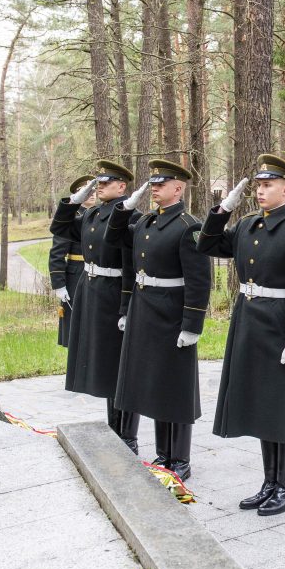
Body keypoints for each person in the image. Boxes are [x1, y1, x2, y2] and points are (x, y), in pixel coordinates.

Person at [197, 154, 285, 516]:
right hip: (249, 322)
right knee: (262, 404)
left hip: (281, 323)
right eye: (258, 185)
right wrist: (222, 209)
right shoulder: (248, 225)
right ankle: (270, 482)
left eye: (267, 185)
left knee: (284, 406)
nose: (260, 191)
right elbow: (206, 245)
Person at [106, 159, 211, 481]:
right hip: (144, 309)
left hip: (171, 313)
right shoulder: (148, 222)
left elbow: (199, 280)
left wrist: (192, 325)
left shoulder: (188, 226)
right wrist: (124, 209)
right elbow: (115, 241)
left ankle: (179, 457)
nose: (154, 188)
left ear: (178, 188)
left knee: (174, 387)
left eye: (160, 184)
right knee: (150, 384)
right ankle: (162, 453)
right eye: (152, 184)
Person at [49, 160, 140, 451]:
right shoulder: (92, 214)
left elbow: (129, 265)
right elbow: (60, 226)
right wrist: (73, 201)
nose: (98, 186)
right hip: (91, 292)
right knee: (103, 366)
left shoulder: (130, 215)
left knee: (119, 368)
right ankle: (114, 428)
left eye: (105, 182)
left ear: (122, 186)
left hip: (114, 294)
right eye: (97, 182)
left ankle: (127, 435)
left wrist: (126, 306)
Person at [49, 175, 94, 347]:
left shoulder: (97, 215)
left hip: (95, 274)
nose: (92, 194)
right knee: (75, 323)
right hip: (75, 276)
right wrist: (59, 284)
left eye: (93, 190)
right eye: (87, 191)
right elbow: (57, 254)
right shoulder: (71, 217)